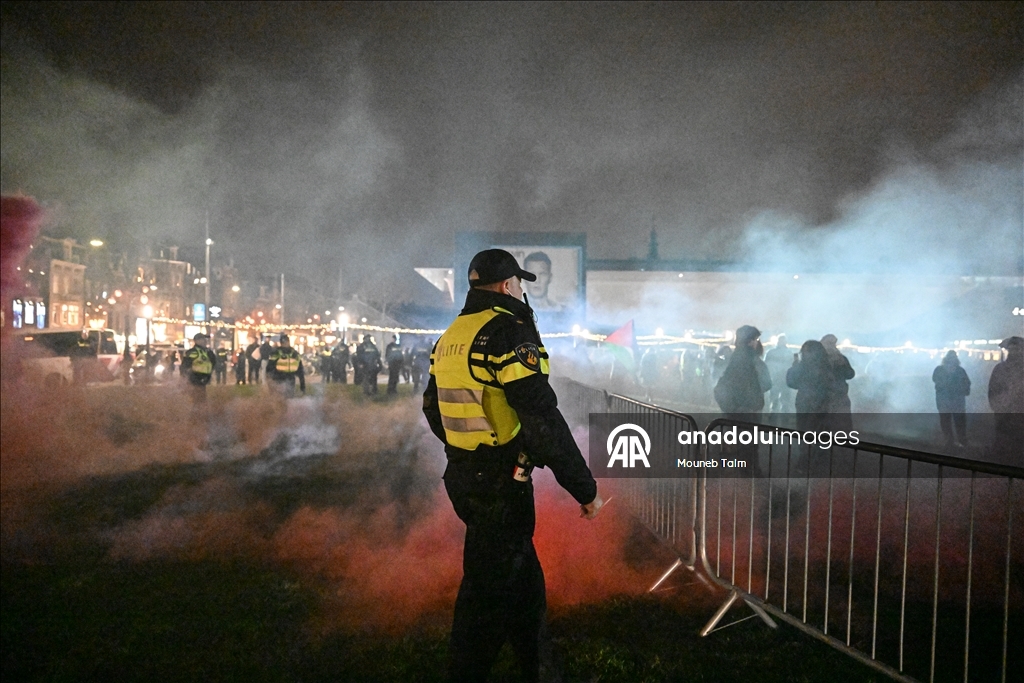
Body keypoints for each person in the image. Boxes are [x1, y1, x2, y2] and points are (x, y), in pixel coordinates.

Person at [423, 248, 603, 683]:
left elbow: (432, 407)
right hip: (500, 483)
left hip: (466, 477)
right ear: (508, 286)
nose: (522, 290)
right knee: (485, 599)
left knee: (522, 584)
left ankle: (541, 670)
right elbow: (540, 417)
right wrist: (584, 488)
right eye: (520, 283)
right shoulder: (509, 330)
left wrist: (465, 450)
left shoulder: (452, 334)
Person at [714, 325, 771, 417]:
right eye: (756, 340)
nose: (758, 343)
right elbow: (767, 383)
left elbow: (720, 387)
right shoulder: (753, 361)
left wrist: (730, 408)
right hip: (750, 412)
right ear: (750, 341)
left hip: (734, 413)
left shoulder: (733, 359)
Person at [988, 336, 1023, 464]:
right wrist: (996, 405)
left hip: (1015, 409)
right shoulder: (1000, 368)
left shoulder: (1001, 368)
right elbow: (993, 389)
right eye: (1012, 349)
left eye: (1017, 349)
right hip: (1005, 410)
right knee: (1005, 438)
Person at [786, 340, 832, 431]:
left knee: (805, 429)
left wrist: (794, 368)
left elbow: (791, 383)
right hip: (820, 402)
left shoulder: (802, 366)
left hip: (808, 401)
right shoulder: (826, 366)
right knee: (819, 431)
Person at [932, 350, 970, 448]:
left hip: (949, 402)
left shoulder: (940, 370)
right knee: (955, 423)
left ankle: (952, 441)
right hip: (952, 402)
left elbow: (936, 381)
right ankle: (956, 441)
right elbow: (966, 384)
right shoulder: (959, 370)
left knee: (949, 423)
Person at [820, 335, 855, 422]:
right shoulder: (819, 359)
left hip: (839, 395)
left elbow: (850, 374)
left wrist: (842, 365)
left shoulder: (841, 359)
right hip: (824, 397)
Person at [180, 332, 216, 402]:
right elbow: (185, 365)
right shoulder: (193, 352)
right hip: (196, 377)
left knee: (201, 398)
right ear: (197, 341)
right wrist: (184, 377)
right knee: (199, 399)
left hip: (204, 378)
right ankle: (198, 412)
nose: (204, 341)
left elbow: (213, 361)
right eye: (202, 339)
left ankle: (199, 411)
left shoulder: (206, 351)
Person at [764, 335, 793, 414]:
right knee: (774, 399)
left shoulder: (788, 353)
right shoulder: (773, 353)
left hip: (783, 379)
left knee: (784, 400)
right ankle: (775, 414)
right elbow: (767, 365)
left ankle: (780, 415)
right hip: (777, 378)